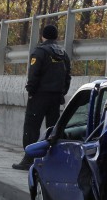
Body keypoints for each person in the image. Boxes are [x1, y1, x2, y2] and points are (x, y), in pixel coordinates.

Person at [12, 24, 71, 170]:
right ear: (56, 36)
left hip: (39, 96)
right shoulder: (63, 54)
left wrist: (31, 91)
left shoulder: (40, 52)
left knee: (31, 127)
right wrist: (61, 92)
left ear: (43, 36)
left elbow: (34, 75)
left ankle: (29, 159)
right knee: (53, 129)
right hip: (56, 97)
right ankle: (53, 160)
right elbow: (68, 76)